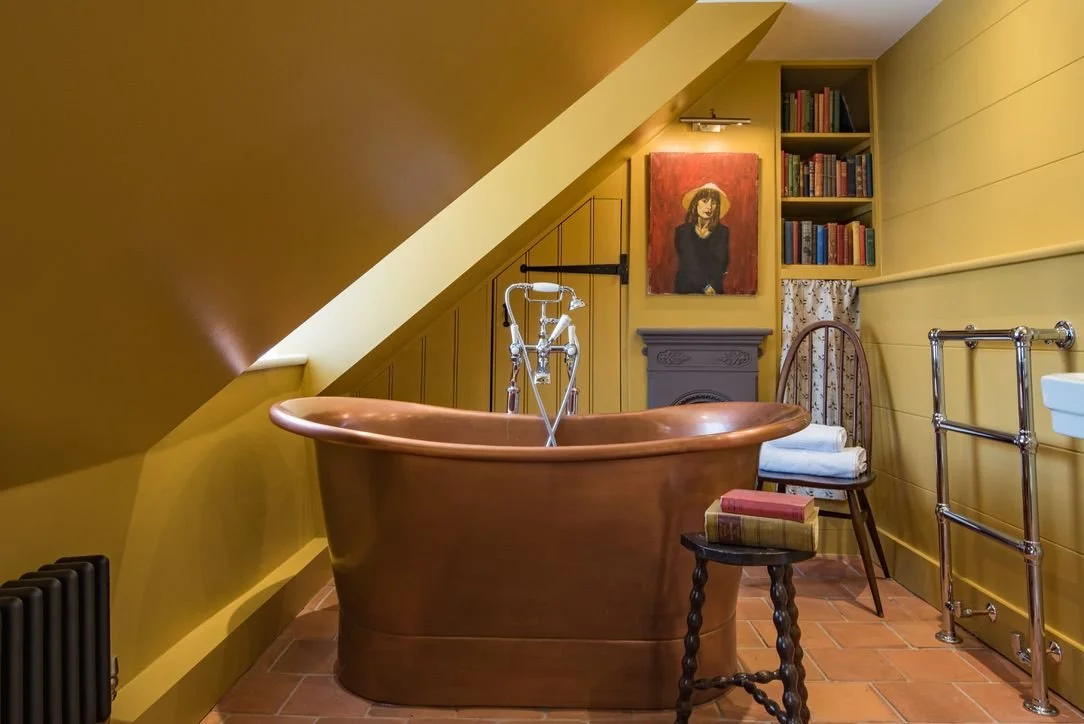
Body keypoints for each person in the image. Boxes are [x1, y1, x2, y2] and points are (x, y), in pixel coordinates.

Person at [672, 182, 730, 295]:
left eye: (713, 202)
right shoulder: (682, 231)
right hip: (686, 290)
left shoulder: (722, 232)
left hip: (713, 291)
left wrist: (712, 286)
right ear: (695, 203)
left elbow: (721, 264)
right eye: (704, 200)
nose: (709, 207)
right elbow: (688, 263)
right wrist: (705, 286)